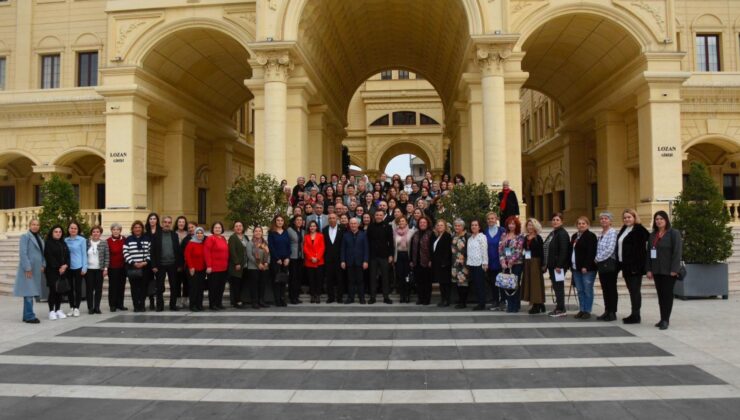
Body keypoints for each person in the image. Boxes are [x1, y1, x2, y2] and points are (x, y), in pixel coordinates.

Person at [646, 211, 683, 330]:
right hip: (657, 270)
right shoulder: (653, 235)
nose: (659, 221)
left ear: (666, 220)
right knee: (661, 295)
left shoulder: (673, 233)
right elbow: (649, 253)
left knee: (667, 295)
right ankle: (662, 318)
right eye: (656, 219)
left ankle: (666, 320)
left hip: (669, 271)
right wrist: (649, 269)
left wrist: (674, 269)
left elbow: (677, 252)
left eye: (661, 219)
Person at [617, 209, 650, 324]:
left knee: (635, 291)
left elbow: (641, 251)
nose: (627, 219)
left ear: (635, 217)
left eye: (629, 217)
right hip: (625, 266)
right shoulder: (624, 229)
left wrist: (637, 267)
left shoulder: (639, 230)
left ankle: (636, 315)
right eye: (625, 217)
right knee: (631, 291)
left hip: (634, 267)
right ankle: (633, 313)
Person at [15, 219, 45, 324]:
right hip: (28, 269)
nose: (35, 226)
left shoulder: (40, 238)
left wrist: (43, 264)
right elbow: (23, 253)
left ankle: (26, 315)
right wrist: (27, 268)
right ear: (29, 225)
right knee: (29, 292)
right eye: (33, 224)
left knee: (30, 292)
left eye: (37, 224)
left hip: (36, 269)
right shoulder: (25, 237)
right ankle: (30, 317)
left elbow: (42, 253)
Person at [151, 216, 182, 311]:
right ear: (162, 223)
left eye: (169, 222)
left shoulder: (174, 235)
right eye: (165, 222)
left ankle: (173, 305)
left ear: (171, 223)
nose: (167, 224)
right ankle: (160, 306)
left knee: (174, 286)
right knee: (159, 287)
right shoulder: (156, 235)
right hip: (160, 265)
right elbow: (152, 251)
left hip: (173, 264)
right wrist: (154, 265)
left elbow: (178, 250)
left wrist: (179, 264)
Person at [570, 216, 598, 320]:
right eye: (579, 223)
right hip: (575, 268)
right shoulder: (574, 236)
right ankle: (581, 309)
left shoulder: (591, 236)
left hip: (587, 269)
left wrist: (586, 266)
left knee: (587, 290)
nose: (581, 225)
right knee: (580, 290)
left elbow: (591, 253)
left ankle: (587, 310)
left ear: (587, 225)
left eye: (583, 223)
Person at [366, 209, 395, 304]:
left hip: (384, 256)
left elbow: (391, 242)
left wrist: (391, 254)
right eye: (377, 215)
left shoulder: (388, 227)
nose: (378, 216)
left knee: (385, 277)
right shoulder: (370, 227)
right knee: (372, 277)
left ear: (383, 216)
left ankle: (386, 296)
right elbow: (367, 242)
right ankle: (372, 297)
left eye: (380, 215)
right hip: (373, 256)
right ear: (374, 216)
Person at [544, 213, 570, 317]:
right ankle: (559, 307)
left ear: (562, 221)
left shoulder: (562, 234)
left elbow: (564, 251)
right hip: (552, 265)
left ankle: (561, 309)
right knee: (556, 286)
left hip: (558, 267)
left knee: (558, 287)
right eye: (553, 219)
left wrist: (559, 265)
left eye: (557, 220)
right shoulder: (553, 233)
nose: (555, 221)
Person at [595, 212, 619, 321]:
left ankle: (612, 312)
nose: (603, 220)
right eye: (602, 219)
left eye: (606, 219)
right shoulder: (601, 233)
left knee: (611, 288)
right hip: (601, 265)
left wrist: (597, 258)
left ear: (610, 221)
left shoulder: (612, 232)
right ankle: (607, 310)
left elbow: (610, 249)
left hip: (609, 264)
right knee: (605, 289)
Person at [123, 221, 151, 312]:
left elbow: (150, 252)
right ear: (132, 229)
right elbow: (125, 252)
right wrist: (133, 262)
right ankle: (136, 305)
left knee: (143, 287)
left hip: (145, 267)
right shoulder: (128, 239)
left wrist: (145, 262)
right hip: (132, 267)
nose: (137, 229)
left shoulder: (147, 239)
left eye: (139, 227)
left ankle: (142, 305)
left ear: (142, 229)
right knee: (134, 288)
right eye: (135, 227)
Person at [499, 217, 524, 313]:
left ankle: (516, 305)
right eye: (509, 223)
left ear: (516, 225)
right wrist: (503, 261)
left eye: (513, 224)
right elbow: (501, 249)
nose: (511, 225)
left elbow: (519, 250)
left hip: (517, 264)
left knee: (515, 284)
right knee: (507, 285)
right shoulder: (504, 235)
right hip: (505, 264)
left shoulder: (520, 236)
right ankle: (510, 304)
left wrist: (511, 261)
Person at [341, 217, 369, 304]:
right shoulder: (345, 235)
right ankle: (350, 298)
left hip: (360, 262)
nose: (353, 225)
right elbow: (343, 249)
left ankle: (362, 298)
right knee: (350, 281)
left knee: (360, 281)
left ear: (358, 224)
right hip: (349, 262)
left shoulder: (363, 234)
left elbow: (366, 249)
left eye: (355, 223)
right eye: (351, 223)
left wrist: (366, 261)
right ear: (349, 224)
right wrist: (342, 260)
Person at [44, 225, 69, 320]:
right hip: (52, 271)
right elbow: (49, 257)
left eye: (60, 232)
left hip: (62, 270)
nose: (58, 233)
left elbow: (67, 256)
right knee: (53, 291)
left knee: (60, 290)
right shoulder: (48, 243)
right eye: (56, 231)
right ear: (52, 233)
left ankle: (58, 309)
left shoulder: (63, 243)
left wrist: (66, 265)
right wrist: (59, 267)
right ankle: (51, 311)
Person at [522, 218, 546, 314]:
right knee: (529, 283)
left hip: (536, 262)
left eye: (532, 225)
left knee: (536, 284)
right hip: (527, 262)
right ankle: (539, 304)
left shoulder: (538, 238)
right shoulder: (525, 237)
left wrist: (543, 265)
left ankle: (536, 305)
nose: (530, 227)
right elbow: (524, 250)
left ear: (535, 226)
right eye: (528, 225)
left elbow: (541, 252)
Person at [85, 225, 109, 315]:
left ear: (100, 233)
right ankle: (90, 307)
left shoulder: (104, 243)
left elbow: (107, 256)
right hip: (89, 269)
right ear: (91, 233)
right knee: (89, 289)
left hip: (99, 269)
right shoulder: (87, 242)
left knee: (98, 289)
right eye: (94, 232)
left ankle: (97, 307)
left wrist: (106, 268)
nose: (95, 233)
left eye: (98, 232)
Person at [204, 222, 229, 310]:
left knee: (221, 287)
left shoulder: (223, 238)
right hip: (214, 268)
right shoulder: (210, 238)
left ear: (222, 229)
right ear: (213, 229)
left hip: (223, 267)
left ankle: (219, 303)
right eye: (216, 227)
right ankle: (213, 304)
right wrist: (209, 266)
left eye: (219, 227)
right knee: (213, 287)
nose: (217, 229)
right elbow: (207, 253)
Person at [64, 221, 87, 317]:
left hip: (78, 267)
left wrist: (84, 267)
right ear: (68, 229)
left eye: (75, 228)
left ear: (78, 230)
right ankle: (71, 308)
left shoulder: (82, 240)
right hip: (68, 267)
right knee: (69, 289)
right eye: (71, 228)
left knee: (77, 289)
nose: (73, 230)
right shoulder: (65, 240)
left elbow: (84, 254)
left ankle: (77, 308)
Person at [485, 212, 506, 311]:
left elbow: (507, 245)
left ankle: (503, 301)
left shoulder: (502, 230)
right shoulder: (485, 232)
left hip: (500, 261)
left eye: (492, 218)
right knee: (493, 283)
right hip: (490, 262)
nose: (490, 220)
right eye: (489, 219)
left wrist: (507, 259)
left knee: (501, 282)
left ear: (496, 219)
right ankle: (495, 301)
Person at [410, 216, 434, 305]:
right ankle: (420, 298)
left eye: (424, 222)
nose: (422, 224)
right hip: (417, 261)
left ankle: (426, 299)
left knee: (427, 282)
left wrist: (431, 260)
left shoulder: (431, 234)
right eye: (420, 222)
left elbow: (432, 249)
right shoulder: (415, 234)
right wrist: (411, 260)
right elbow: (412, 248)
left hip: (427, 262)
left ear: (427, 224)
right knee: (419, 281)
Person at [245, 226, 270, 309]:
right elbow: (249, 255)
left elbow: (268, 253)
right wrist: (258, 264)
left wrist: (266, 263)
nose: (258, 232)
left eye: (260, 231)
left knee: (262, 285)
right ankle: (254, 302)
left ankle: (261, 301)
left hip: (264, 267)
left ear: (262, 233)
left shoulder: (265, 242)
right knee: (254, 285)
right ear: (253, 233)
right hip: (253, 268)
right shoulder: (250, 243)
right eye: (256, 231)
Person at [268, 215, 291, 307]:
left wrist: (287, 258)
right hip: (276, 261)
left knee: (283, 281)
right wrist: (277, 259)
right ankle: (277, 300)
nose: (280, 222)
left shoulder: (286, 232)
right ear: (275, 222)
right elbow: (271, 247)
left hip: (285, 260)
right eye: (278, 220)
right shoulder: (271, 233)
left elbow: (288, 246)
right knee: (277, 281)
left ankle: (283, 299)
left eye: (281, 220)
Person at [322, 213, 345, 304]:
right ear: (328, 220)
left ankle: (340, 297)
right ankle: (330, 297)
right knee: (329, 279)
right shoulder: (324, 230)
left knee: (340, 278)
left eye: (333, 218)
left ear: (337, 219)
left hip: (339, 258)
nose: (332, 219)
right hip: (327, 259)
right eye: (330, 218)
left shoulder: (342, 229)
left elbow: (344, 244)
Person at [392, 216, 415, 304]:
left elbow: (413, 247)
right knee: (400, 277)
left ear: (406, 222)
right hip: (398, 256)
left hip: (407, 256)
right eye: (399, 221)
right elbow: (394, 246)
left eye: (403, 221)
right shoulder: (395, 232)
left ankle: (407, 295)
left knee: (407, 277)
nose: (401, 223)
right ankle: (402, 296)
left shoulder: (411, 232)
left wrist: (412, 259)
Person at [431, 219, 453, 307]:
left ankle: (447, 300)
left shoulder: (447, 236)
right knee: (441, 283)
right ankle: (443, 299)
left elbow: (448, 251)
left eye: (441, 225)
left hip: (444, 264)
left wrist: (445, 262)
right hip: (438, 263)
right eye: (438, 225)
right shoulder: (437, 236)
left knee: (446, 283)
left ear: (445, 227)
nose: (439, 227)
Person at [184, 227, 206, 312]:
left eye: (201, 233)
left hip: (202, 269)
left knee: (200, 288)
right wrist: (191, 267)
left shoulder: (203, 243)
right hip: (193, 269)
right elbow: (187, 256)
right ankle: (192, 305)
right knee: (194, 288)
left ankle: (199, 304)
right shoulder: (191, 243)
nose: (199, 234)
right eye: (198, 233)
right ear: (195, 234)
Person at [106, 223, 127, 312]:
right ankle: (112, 305)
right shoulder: (108, 241)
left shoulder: (125, 240)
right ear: (111, 231)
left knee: (121, 286)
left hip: (123, 266)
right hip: (112, 267)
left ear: (120, 231)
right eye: (114, 229)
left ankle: (120, 304)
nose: (116, 231)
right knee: (113, 286)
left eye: (117, 229)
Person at [303, 220, 325, 303]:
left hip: (319, 261)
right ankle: (312, 295)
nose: (312, 227)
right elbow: (305, 248)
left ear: (316, 227)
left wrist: (317, 257)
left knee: (319, 279)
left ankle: (318, 295)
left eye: (314, 226)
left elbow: (322, 247)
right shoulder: (306, 236)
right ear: (309, 227)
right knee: (311, 280)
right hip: (309, 262)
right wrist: (310, 257)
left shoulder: (321, 236)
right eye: (311, 226)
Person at [228, 221, 248, 308]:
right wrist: (236, 262)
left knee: (242, 284)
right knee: (236, 284)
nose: (238, 228)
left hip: (245, 265)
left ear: (243, 228)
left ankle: (240, 299)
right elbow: (232, 251)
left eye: (240, 226)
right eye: (236, 226)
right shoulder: (232, 238)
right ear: (234, 228)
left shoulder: (246, 237)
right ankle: (236, 301)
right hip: (236, 265)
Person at [449, 219, 469, 308]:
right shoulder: (453, 236)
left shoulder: (467, 236)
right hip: (455, 264)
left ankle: (463, 302)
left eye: (459, 226)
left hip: (464, 264)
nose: (457, 227)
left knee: (464, 283)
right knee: (458, 283)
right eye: (456, 226)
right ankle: (460, 300)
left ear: (463, 227)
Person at [287, 216, 305, 304]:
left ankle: (296, 296)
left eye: (300, 220)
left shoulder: (303, 231)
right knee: (293, 278)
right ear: (294, 221)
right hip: (292, 257)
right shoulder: (289, 230)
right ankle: (292, 297)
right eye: (297, 220)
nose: (299, 221)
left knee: (298, 277)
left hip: (300, 257)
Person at [144, 213, 161, 310]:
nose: (152, 220)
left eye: (154, 218)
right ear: (148, 220)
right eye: (151, 218)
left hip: (159, 261)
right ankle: (151, 301)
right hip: (148, 261)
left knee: (159, 282)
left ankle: (159, 301)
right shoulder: (146, 233)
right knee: (150, 282)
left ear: (157, 220)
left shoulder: (161, 232)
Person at [174, 216, 190, 309]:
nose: (181, 223)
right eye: (179, 222)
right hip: (175, 262)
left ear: (185, 224)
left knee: (186, 282)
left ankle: (185, 299)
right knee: (177, 282)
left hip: (186, 262)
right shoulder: (173, 234)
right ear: (177, 223)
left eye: (183, 222)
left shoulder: (189, 234)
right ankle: (178, 300)